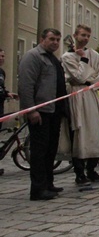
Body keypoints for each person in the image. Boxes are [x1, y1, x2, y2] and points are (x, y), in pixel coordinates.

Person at [18, 28, 67, 201]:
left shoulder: (53, 59)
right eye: (52, 39)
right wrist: (31, 109)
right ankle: (37, 189)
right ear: (42, 39)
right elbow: (25, 85)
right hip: (40, 111)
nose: (55, 42)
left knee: (50, 150)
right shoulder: (33, 57)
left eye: (57, 40)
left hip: (54, 111)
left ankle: (48, 183)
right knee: (39, 151)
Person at [61, 24, 99, 185]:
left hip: (92, 95)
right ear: (75, 35)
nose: (85, 38)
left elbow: (98, 77)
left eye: (88, 35)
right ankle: (79, 172)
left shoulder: (95, 54)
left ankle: (92, 169)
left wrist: (89, 75)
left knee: (95, 131)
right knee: (79, 133)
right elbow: (79, 78)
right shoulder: (67, 57)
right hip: (77, 96)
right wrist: (84, 61)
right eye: (83, 35)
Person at [0, 47, 18, 177]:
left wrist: (7, 93)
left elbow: (1, 88)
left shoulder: (1, 72)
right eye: (0, 56)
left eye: (3, 56)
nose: (2, 58)